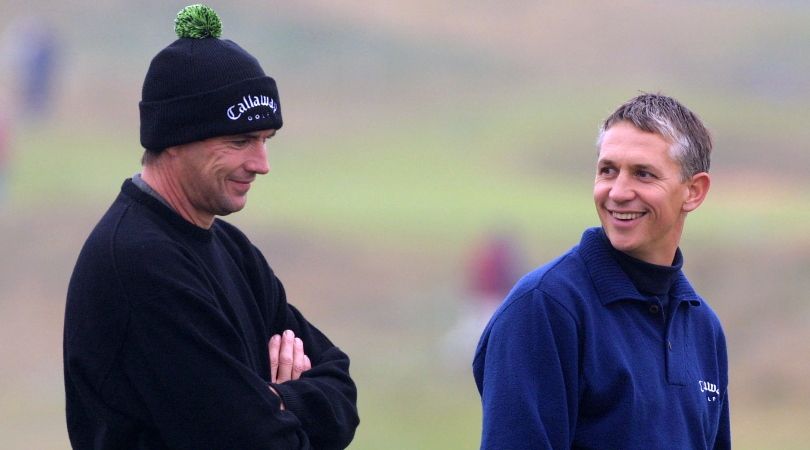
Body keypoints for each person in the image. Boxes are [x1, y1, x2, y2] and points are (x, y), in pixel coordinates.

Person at [63, 5, 359, 449]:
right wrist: (284, 404)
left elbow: (342, 389)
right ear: (175, 140)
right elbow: (255, 442)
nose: (261, 165)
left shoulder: (231, 249)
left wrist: (279, 401)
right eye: (239, 141)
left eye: (265, 141)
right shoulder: (139, 264)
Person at [473, 93, 730, 449]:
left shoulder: (704, 328)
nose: (618, 192)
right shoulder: (545, 308)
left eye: (643, 174)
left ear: (694, 191)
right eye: (608, 170)